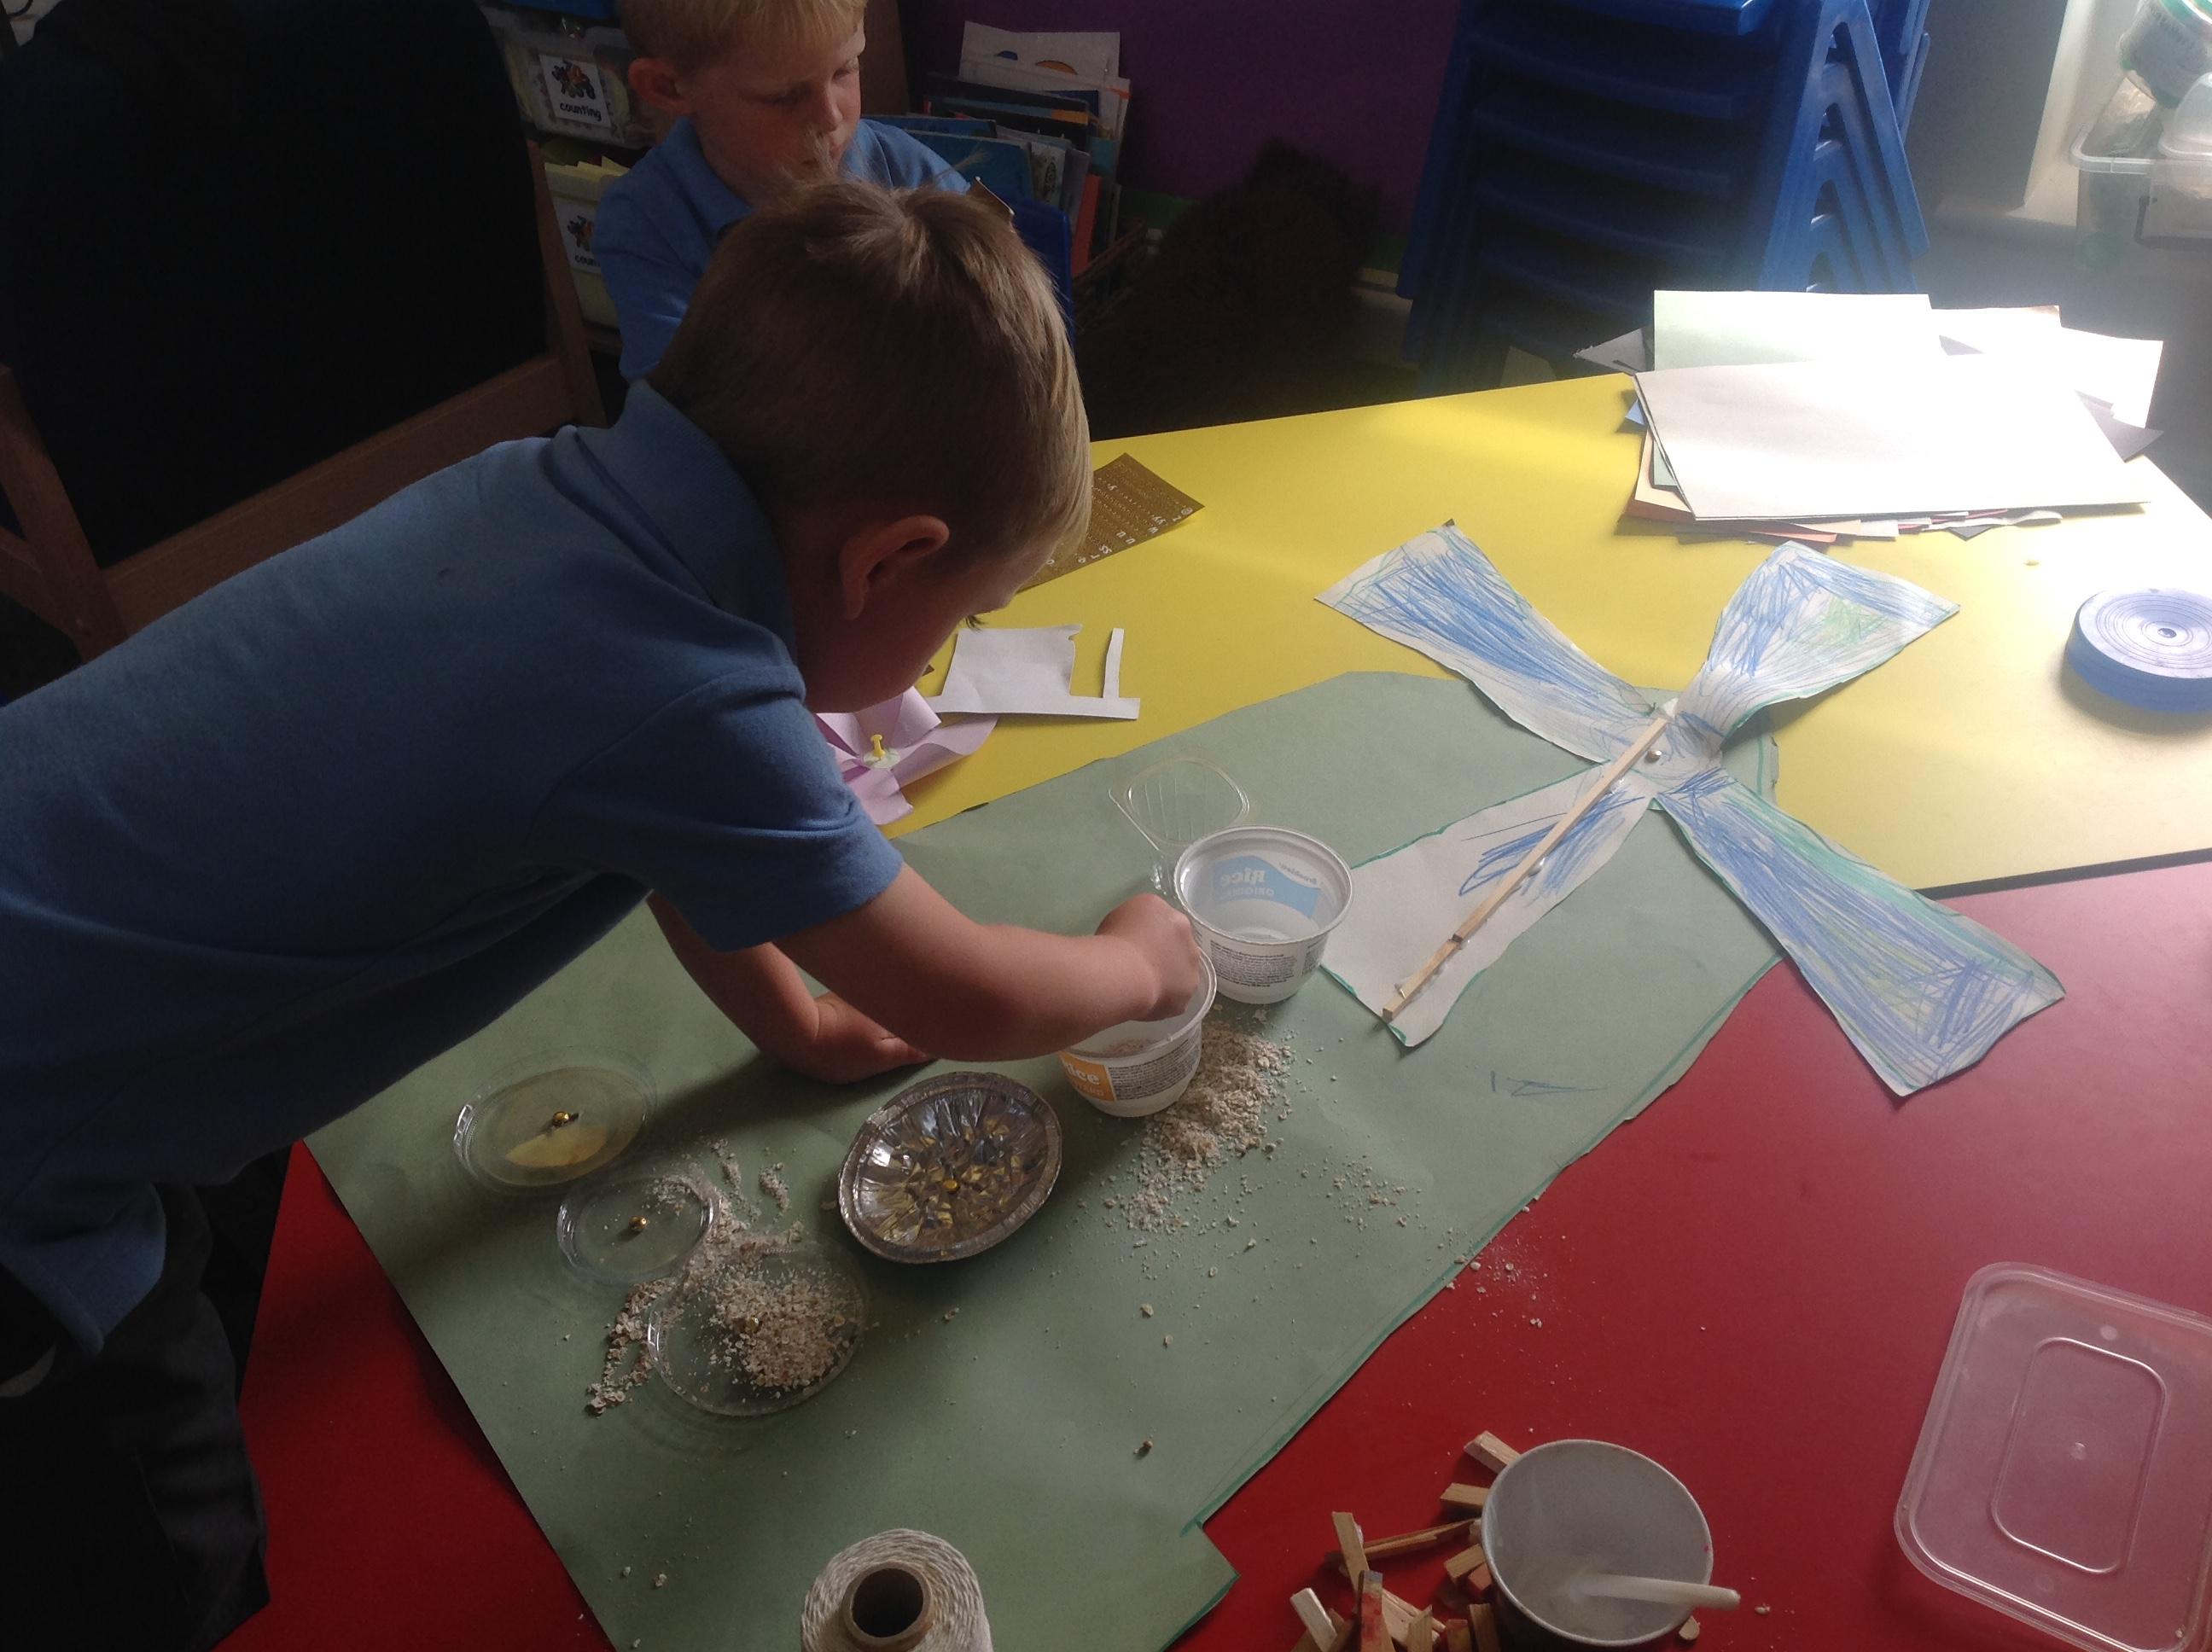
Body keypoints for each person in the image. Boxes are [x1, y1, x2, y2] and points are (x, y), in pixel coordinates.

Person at [0, 181, 1200, 1650]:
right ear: (887, 558)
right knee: (153, 1548)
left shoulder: (549, 492)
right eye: (963, 612)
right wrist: (1137, 962)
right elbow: (970, 997)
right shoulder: (690, 692)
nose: (945, 647)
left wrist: (805, 1026)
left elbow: (665, 841)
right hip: (24, 1165)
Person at [597, 0, 963, 378]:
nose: (830, 117)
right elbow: (683, 398)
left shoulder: (909, 170)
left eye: (845, 69)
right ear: (667, 87)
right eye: (782, 96)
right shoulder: (644, 223)